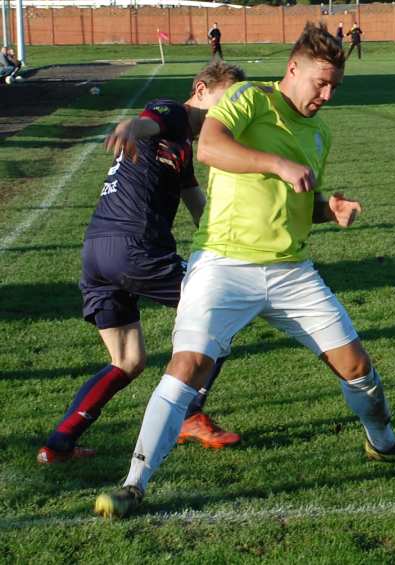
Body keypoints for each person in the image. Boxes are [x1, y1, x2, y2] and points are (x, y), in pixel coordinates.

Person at [94, 23, 395, 519]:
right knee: (188, 366)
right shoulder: (249, 98)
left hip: (291, 271)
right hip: (224, 263)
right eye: (320, 83)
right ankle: (133, 483)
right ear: (292, 69)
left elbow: (294, 196)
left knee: (357, 367)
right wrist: (277, 164)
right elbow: (210, 148)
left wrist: (326, 209)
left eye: (334, 87)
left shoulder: (319, 132)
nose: (326, 95)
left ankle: (382, 443)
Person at [37, 62, 247, 465]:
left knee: (128, 361)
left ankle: (59, 443)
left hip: (98, 250)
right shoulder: (172, 112)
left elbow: (194, 200)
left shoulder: (183, 145)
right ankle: (189, 414)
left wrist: (228, 243)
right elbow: (149, 121)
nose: (231, 111)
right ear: (201, 89)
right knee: (220, 313)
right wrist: (132, 126)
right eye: (228, 98)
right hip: (136, 247)